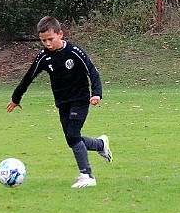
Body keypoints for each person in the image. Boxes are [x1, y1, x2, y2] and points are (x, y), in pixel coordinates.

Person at [7, 16, 112, 188]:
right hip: (62, 103)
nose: (47, 44)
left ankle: (87, 176)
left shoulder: (74, 51)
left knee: (72, 134)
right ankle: (100, 144)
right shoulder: (44, 57)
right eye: (43, 41)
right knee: (72, 139)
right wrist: (16, 98)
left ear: (60, 34)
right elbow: (28, 77)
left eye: (50, 39)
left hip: (80, 100)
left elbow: (92, 71)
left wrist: (97, 93)